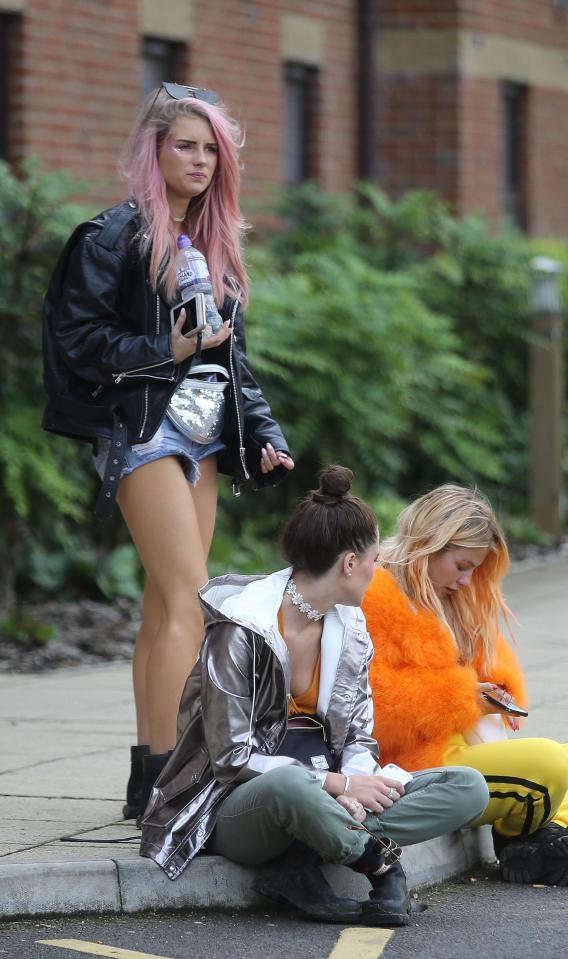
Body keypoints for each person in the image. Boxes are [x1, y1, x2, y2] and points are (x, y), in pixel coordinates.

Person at [42, 82, 294, 819]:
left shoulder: (215, 246)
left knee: (165, 606)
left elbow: (231, 363)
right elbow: (76, 343)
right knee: (190, 599)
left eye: (211, 146)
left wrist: (265, 432)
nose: (201, 158)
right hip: (142, 428)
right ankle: (178, 780)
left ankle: (149, 781)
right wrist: (167, 346)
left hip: (204, 434)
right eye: (185, 144)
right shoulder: (110, 238)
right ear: (153, 152)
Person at [139, 466, 489, 926]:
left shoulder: (350, 625)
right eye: (372, 558)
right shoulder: (240, 627)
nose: (377, 566)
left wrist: (356, 787)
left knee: (467, 787)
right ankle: (379, 865)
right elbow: (230, 758)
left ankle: (310, 851)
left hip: (329, 790)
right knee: (291, 787)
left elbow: (360, 735)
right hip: (242, 802)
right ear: (349, 564)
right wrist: (332, 785)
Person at [361, 484, 568, 887]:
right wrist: (466, 699)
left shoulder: (456, 600)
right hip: (423, 767)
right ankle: (532, 834)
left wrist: (496, 691)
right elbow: (373, 709)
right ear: (427, 544)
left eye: (474, 569)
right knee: (547, 763)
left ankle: (547, 835)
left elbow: (492, 666)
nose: (466, 580)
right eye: (461, 565)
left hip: (478, 752)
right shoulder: (375, 595)